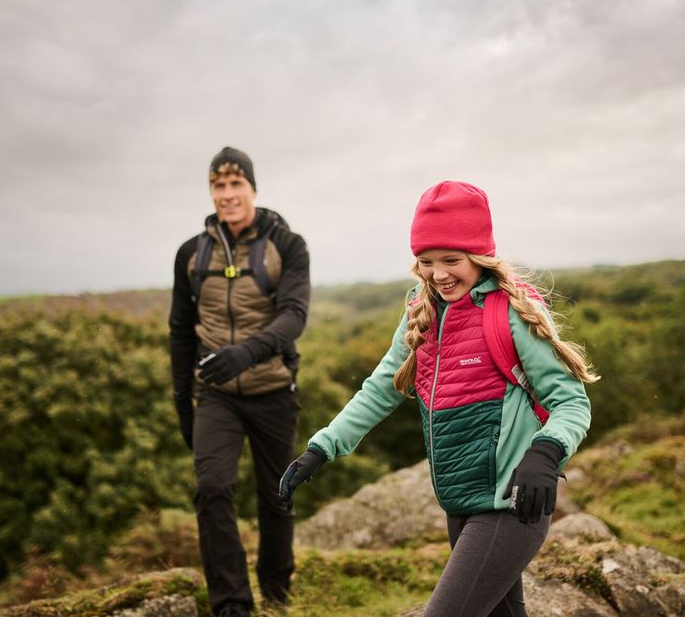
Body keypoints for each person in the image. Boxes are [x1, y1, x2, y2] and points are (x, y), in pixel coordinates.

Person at [280, 181, 595, 617]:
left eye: (452, 260)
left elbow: (572, 402)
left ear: (480, 256)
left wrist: (545, 452)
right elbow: (380, 389)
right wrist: (321, 447)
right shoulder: (420, 312)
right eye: (427, 262)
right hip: (461, 504)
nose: (440, 274)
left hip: (509, 504)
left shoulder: (509, 313)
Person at [169, 146, 310, 617]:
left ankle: (275, 592)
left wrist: (247, 353)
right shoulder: (192, 253)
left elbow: (294, 315)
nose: (227, 195)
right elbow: (179, 329)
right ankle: (231, 605)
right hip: (215, 395)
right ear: (211, 191)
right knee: (211, 489)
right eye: (218, 185)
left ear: (252, 188)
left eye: (235, 184)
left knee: (277, 496)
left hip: (273, 388)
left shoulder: (287, 245)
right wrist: (182, 405)